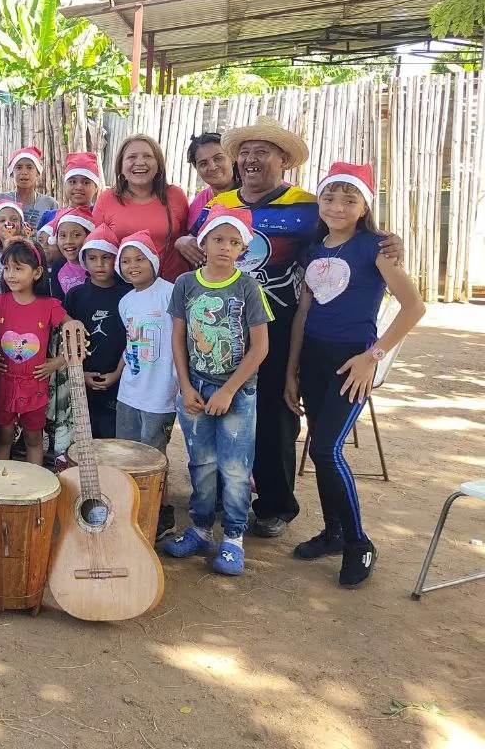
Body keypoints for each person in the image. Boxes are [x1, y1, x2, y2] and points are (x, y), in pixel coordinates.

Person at [193, 115, 402, 539]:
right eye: (245, 152)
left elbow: (351, 236)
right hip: (221, 324)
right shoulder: (218, 204)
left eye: (262, 152)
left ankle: (275, 505)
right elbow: (199, 244)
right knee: (217, 406)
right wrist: (184, 241)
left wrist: (392, 243)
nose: (251, 160)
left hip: (283, 323)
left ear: (283, 159)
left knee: (275, 413)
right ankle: (218, 497)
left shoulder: (310, 204)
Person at [285, 162, 424, 587]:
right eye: (329, 197)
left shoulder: (375, 248)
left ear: (364, 205)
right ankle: (334, 532)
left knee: (327, 451)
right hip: (312, 359)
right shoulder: (314, 249)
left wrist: (373, 357)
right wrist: (291, 371)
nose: (338, 206)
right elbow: (303, 313)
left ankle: (359, 542)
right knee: (320, 450)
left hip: (352, 363)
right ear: (319, 202)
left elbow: (413, 307)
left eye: (349, 199)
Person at [162, 206, 271, 576]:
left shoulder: (247, 287)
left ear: (243, 249)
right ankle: (201, 528)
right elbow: (178, 337)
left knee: (236, 468)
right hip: (195, 389)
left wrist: (227, 390)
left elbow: (260, 347)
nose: (225, 247)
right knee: (201, 463)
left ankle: (234, 538)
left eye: (234, 242)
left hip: (236, 392)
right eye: (218, 239)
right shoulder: (185, 284)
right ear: (203, 242)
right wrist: (186, 385)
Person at [0, 241, 69, 465]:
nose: (10, 274)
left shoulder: (50, 306)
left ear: (37, 272)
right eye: (7, 268)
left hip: (35, 385)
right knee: (4, 436)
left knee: (33, 438)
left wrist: (58, 362)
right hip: (4, 383)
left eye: (18, 268)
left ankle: (35, 489)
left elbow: (76, 332)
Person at [115, 231, 178, 537]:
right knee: (126, 453)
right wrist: (118, 375)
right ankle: (131, 508)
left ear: (154, 261)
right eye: (125, 261)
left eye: (139, 259)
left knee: (155, 455)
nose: (132, 265)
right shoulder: (125, 301)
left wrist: (182, 384)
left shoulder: (171, 293)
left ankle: (160, 511)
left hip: (161, 393)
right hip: (130, 390)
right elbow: (130, 345)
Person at [62, 225, 130, 440]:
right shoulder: (76, 295)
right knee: (84, 438)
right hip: (82, 379)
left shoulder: (128, 295)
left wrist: (116, 375)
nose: (99, 264)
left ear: (116, 260)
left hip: (118, 379)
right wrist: (80, 374)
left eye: (106, 258)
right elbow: (66, 340)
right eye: (92, 258)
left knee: (112, 439)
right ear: (84, 260)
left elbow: (133, 339)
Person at [93, 135, 190, 283]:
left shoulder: (176, 195)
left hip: (171, 287)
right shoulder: (106, 199)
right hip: (123, 288)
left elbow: (186, 236)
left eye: (148, 156)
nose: (140, 162)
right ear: (121, 166)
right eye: (131, 157)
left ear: (158, 164)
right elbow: (97, 246)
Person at [183, 132, 238, 238]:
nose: (212, 167)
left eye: (218, 158)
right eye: (203, 163)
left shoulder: (251, 196)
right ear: (197, 168)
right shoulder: (199, 200)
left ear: (231, 157)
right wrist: (182, 241)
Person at [40, 206, 94, 297]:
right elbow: (58, 300)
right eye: (63, 236)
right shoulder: (58, 265)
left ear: (89, 236)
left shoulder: (97, 263)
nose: (68, 241)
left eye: (76, 235)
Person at [0, 146, 58, 229]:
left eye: (29, 167)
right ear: (12, 172)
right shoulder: (2, 199)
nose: (24, 172)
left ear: (38, 172)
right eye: (19, 168)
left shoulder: (50, 204)